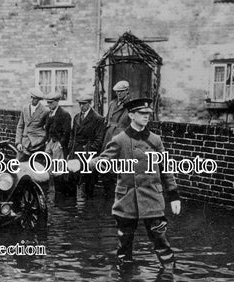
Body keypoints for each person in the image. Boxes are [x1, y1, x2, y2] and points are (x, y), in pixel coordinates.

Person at [74, 98, 181, 270]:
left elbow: (166, 168)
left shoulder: (155, 140)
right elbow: (103, 161)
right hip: (127, 199)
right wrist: (83, 163)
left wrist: (174, 195)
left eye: (148, 113)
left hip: (152, 198)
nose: (147, 117)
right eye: (142, 113)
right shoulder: (120, 140)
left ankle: (168, 280)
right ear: (131, 115)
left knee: (161, 242)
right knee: (124, 246)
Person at [67, 94, 105, 198]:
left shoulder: (98, 119)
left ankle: (87, 209)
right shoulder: (76, 117)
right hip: (75, 152)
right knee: (73, 178)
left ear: (90, 104)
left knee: (88, 181)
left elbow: (98, 139)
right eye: (80, 104)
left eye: (84, 104)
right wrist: (71, 148)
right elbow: (72, 134)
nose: (81, 106)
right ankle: (73, 207)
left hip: (88, 153)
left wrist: (90, 151)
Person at [101, 80, 132, 197]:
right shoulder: (112, 103)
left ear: (127, 91)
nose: (119, 94)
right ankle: (107, 193)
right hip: (108, 138)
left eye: (121, 92)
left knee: (118, 167)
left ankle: (118, 194)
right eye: (117, 92)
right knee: (105, 165)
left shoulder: (130, 105)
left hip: (121, 139)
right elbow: (107, 120)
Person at [44, 91, 72, 194]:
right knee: (49, 167)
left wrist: (61, 143)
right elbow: (47, 128)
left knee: (58, 168)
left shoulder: (64, 114)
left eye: (51, 102)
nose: (49, 104)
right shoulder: (49, 113)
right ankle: (52, 188)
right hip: (50, 142)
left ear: (56, 102)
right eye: (48, 102)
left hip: (58, 144)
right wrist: (47, 141)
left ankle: (60, 190)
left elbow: (67, 131)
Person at [15, 88, 50, 162]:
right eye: (31, 97)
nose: (32, 100)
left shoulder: (45, 111)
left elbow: (48, 128)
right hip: (24, 143)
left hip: (37, 144)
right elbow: (20, 126)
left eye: (34, 98)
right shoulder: (25, 108)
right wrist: (18, 142)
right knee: (18, 165)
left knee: (35, 167)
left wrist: (43, 140)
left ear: (39, 99)